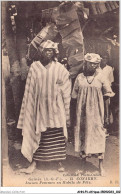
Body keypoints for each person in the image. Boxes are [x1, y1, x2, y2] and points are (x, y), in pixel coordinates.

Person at [17, 40, 71, 173]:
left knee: (56, 133)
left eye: (51, 50)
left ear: (54, 53)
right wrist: (29, 110)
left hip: (55, 108)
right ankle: (34, 163)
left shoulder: (60, 68)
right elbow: (29, 90)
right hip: (39, 108)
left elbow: (66, 88)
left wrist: (66, 111)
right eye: (46, 50)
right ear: (41, 52)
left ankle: (58, 162)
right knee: (39, 133)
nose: (48, 53)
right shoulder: (34, 67)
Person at [72, 53, 115, 176]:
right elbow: (74, 97)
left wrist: (106, 115)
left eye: (96, 64)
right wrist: (74, 116)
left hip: (97, 113)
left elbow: (107, 96)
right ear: (85, 64)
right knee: (83, 136)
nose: (93, 66)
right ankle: (82, 165)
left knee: (99, 136)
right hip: (82, 114)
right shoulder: (79, 77)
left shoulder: (101, 77)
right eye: (91, 63)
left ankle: (101, 166)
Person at [100, 55, 114, 129]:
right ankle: (100, 122)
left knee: (107, 106)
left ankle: (107, 122)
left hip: (107, 90)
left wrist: (109, 91)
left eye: (106, 58)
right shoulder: (97, 68)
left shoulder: (109, 68)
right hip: (99, 90)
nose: (104, 60)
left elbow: (111, 80)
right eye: (103, 58)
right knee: (99, 106)